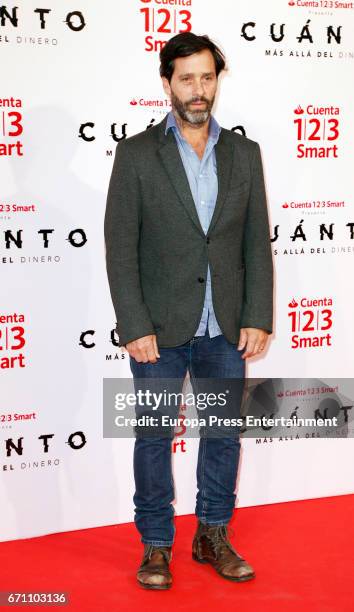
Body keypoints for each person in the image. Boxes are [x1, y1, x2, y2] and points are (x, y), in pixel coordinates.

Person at [104, 31, 273, 590]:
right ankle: (155, 546)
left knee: (223, 433)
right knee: (153, 434)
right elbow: (120, 246)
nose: (198, 90)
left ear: (216, 81)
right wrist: (133, 325)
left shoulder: (244, 154)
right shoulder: (135, 155)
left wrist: (257, 314)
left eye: (207, 77)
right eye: (187, 79)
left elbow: (255, 243)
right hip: (158, 327)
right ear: (167, 84)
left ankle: (212, 535)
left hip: (224, 326)